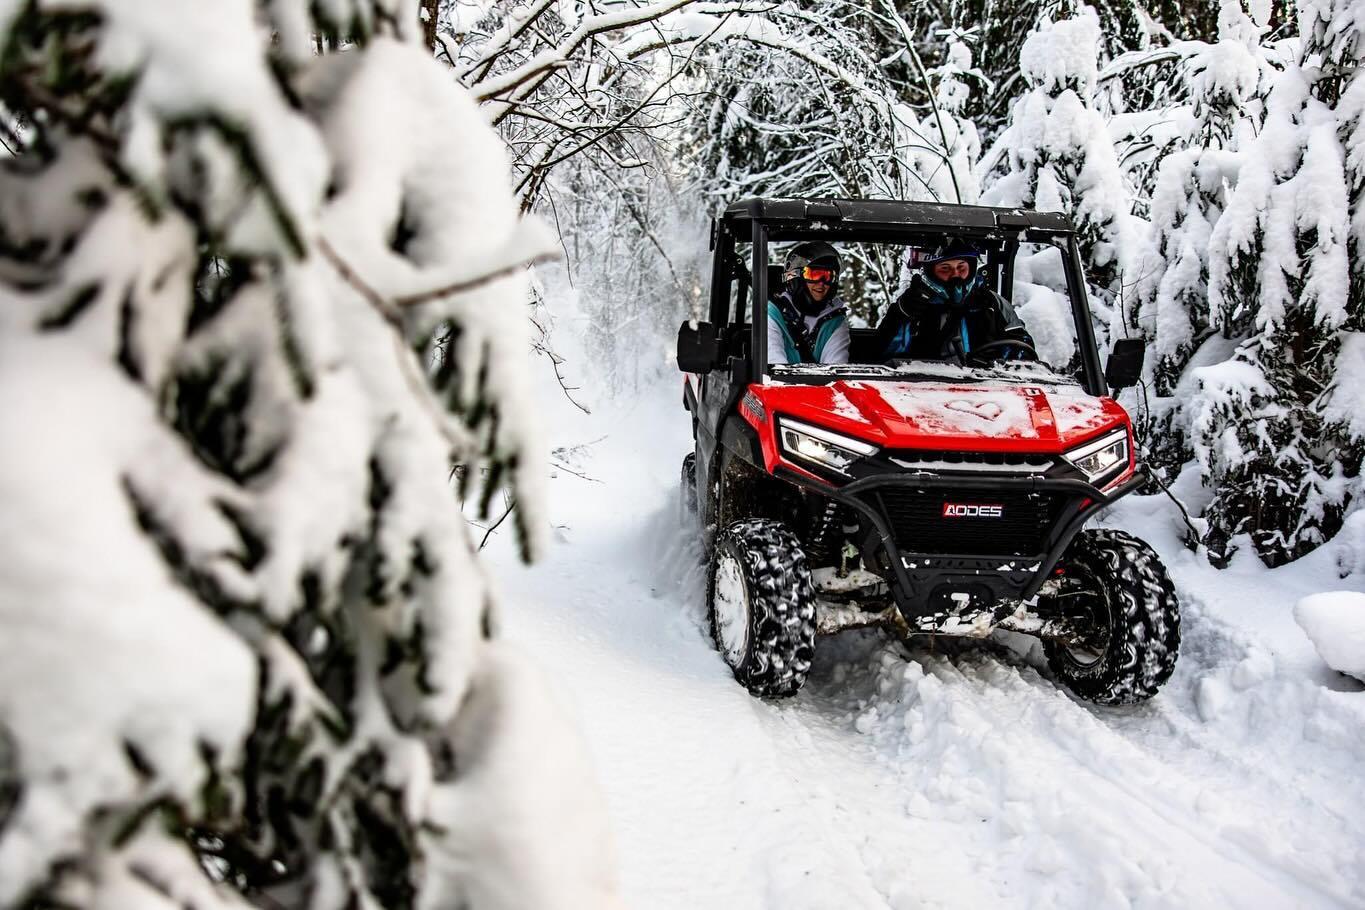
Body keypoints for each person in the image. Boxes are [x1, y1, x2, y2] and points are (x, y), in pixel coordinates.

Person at [874, 240, 1034, 362]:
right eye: (945, 268)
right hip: (924, 387)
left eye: (961, 267)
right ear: (931, 272)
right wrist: (901, 315)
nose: (955, 275)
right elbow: (883, 354)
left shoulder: (991, 303)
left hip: (987, 387)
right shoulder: (912, 304)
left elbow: (1021, 346)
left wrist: (1001, 362)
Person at [767, 241, 850, 365]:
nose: (821, 283)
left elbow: (836, 367)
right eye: (814, 275)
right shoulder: (772, 313)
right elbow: (773, 364)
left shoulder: (835, 322)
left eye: (828, 276)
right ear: (796, 277)